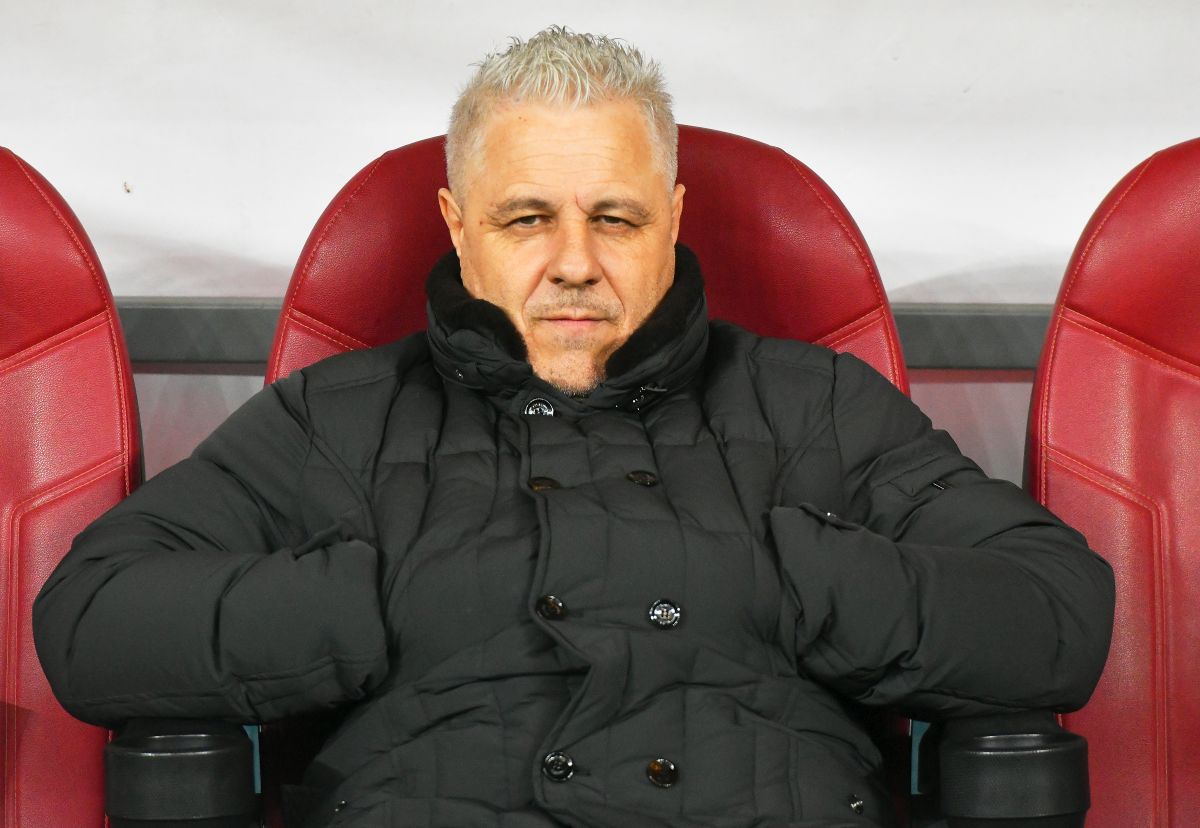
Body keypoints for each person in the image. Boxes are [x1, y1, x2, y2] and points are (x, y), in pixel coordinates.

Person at [34, 26, 1114, 828]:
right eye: (526, 219)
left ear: (672, 220)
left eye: (614, 217)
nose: (575, 264)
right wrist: (380, 599)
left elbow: (1057, 613)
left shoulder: (815, 406)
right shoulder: (337, 421)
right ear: (460, 229)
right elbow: (93, 619)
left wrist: (790, 581)